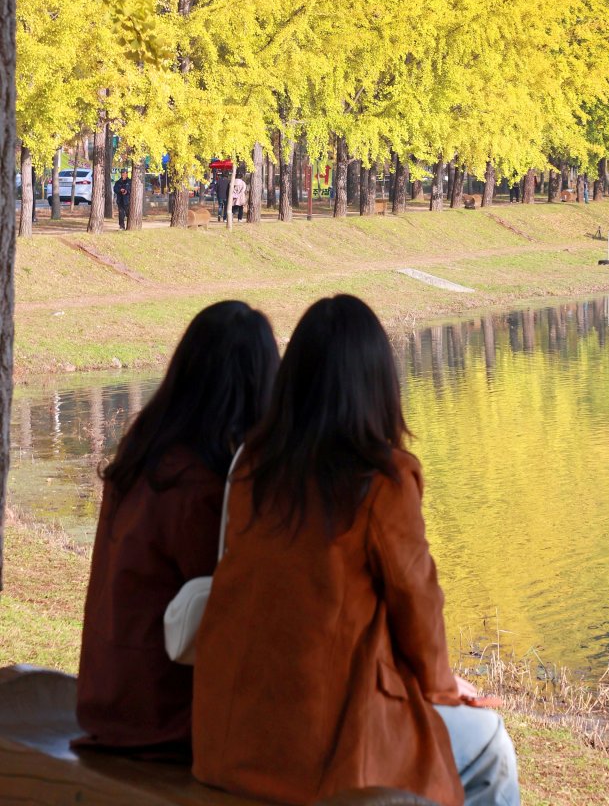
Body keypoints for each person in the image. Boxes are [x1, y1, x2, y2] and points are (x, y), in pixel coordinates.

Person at [193, 295, 520, 806]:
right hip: (320, 748)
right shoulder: (383, 479)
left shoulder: (252, 465)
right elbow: (418, 602)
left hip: (229, 738)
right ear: (379, 384)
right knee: (492, 747)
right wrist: (439, 688)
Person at [75, 302, 279, 759]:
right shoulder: (196, 485)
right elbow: (234, 610)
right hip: (164, 720)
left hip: (107, 703)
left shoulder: (143, 455)